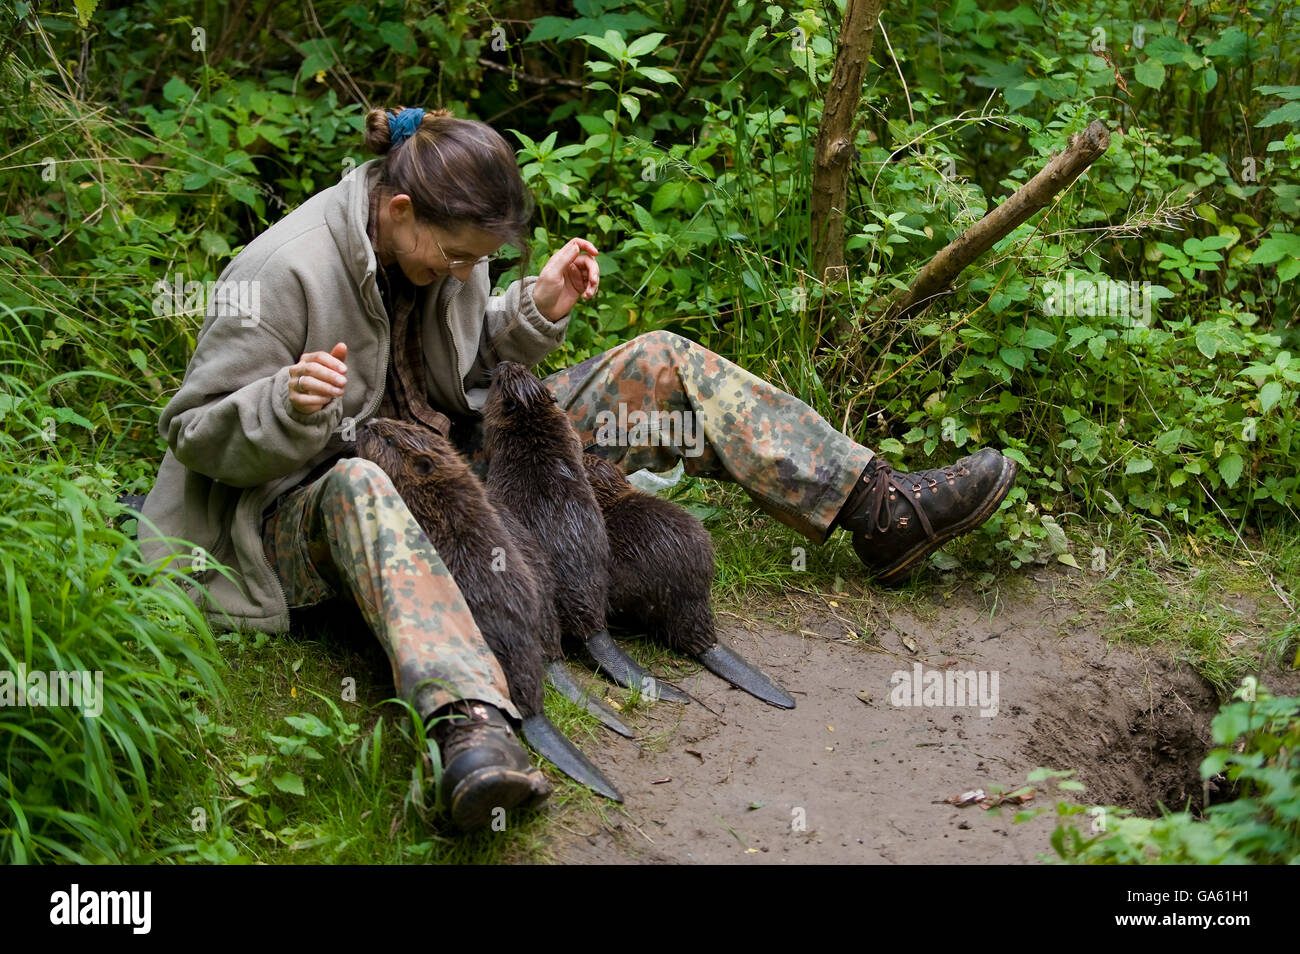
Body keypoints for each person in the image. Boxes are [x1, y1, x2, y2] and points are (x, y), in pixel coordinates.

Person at [138, 106, 1015, 832]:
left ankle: (879, 508)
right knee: (364, 482)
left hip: (447, 457)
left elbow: (464, 365)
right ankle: (471, 728)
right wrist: (283, 406)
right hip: (310, 507)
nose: (466, 272)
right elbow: (193, 432)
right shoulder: (280, 270)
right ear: (399, 210)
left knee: (660, 359)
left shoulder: (442, 249)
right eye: (458, 256)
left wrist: (534, 309)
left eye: (483, 263)